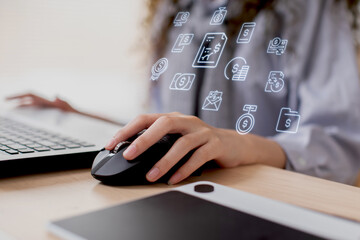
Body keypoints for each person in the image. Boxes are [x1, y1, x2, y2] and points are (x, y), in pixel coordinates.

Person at [7, 0, 360, 185]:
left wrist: (238, 144)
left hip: (266, 201)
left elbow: (341, 147)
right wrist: (78, 118)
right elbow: (171, 131)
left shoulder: (313, 9)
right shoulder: (174, 7)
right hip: (179, 191)